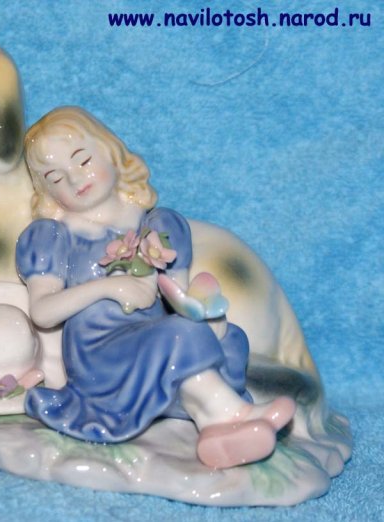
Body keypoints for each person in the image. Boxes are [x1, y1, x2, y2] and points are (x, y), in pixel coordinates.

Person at [16, 106, 295, 468]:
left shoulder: (159, 225)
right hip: (99, 356)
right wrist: (108, 288)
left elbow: (177, 298)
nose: (74, 179)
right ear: (47, 191)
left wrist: (204, 317)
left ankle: (217, 427)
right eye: (55, 177)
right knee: (179, 337)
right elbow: (42, 311)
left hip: (150, 338)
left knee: (229, 340)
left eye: (82, 160)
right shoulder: (53, 236)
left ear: (111, 152)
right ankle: (231, 417)